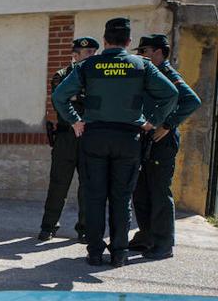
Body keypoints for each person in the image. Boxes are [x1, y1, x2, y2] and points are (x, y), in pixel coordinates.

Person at [51, 18, 177, 267]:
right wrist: (152, 122)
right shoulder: (142, 65)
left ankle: (95, 252)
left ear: (105, 40)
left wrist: (75, 121)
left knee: (95, 197)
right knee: (121, 198)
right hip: (128, 139)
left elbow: (59, 95)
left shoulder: (89, 65)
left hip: (94, 138)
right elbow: (171, 94)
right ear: (129, 42)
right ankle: (119, 252)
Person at [129, 33, 203, 260]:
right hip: (145, 139)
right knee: (141, 190)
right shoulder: (149, 74)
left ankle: (163, 243)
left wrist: (168, 125)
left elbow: (192, 101)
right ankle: (146, 235)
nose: (141, 55)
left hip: (162, 142)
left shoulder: (169, 75)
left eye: (144, 51)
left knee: (159, 192)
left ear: (159, 52)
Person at [38, 36, 99, 241]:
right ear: (75, 55)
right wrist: (82, 99)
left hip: (89, 137)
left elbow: (94, 104)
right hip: (66, 137)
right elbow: (61, 106)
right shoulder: (62, 75)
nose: (92, 56)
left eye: (94, 52)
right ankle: (48, 227)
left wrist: (75, 98)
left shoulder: (98, 76)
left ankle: (84, 229)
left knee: (88, 186)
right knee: (58, 184)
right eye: (87, 53)